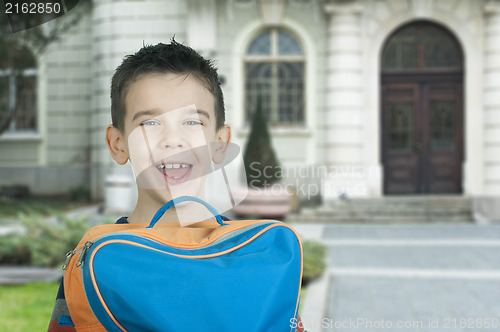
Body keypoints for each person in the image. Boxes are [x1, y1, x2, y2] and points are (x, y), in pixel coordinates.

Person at [48, 39, 304, 331]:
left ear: (219, 144)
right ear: (118, 144)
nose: (173, 140)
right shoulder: (94, 263)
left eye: (192, 122)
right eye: (150, 123)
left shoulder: (257, 256)